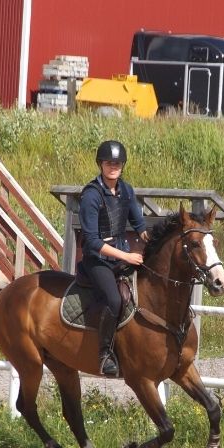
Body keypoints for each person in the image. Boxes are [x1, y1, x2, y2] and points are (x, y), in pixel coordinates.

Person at [78, 140, 149, 376]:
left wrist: (152, 242)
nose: (113, 167)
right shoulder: (91, 195)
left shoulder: (126, 190)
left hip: (121, 255)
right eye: (109, 163)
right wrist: (127, 256)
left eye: (117, 163)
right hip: (97, 260)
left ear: (122, 165)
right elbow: (92, 240)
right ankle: (105, 354)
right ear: (100, 164)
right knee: (114, 300)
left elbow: (139, 224)